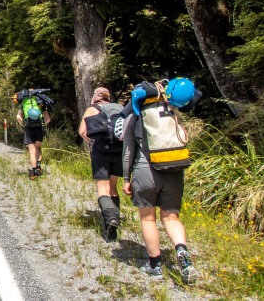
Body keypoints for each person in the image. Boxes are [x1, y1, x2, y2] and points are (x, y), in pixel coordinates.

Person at [121, 79, 202, 284]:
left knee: (148, 219)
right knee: (171, 218)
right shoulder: (172, 111)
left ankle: (155, 266)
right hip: (173, 170)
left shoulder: (135, 116)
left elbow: (128, 151)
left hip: (145, 169)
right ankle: (182, 251)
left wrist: (126, 178)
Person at [78, 87, 123, 241]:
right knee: (113, 187)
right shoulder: (119, 108)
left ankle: (111, 220)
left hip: (101, 151)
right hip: (118, 152)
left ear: (95, 97)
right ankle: (116, 217)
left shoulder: (92, 109)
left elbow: (82, 131)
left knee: (102, 188)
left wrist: (92, 141)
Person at [16, 88, 51, 179]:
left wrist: (23, 124)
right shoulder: (40, 102)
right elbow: (48, 119)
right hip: (39, 128)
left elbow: (18, 117)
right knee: (38, 148)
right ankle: (39, 167)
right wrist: (43, 125)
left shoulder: (24, 102)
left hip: (28, 128)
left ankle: (34, 171)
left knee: (32, 150)